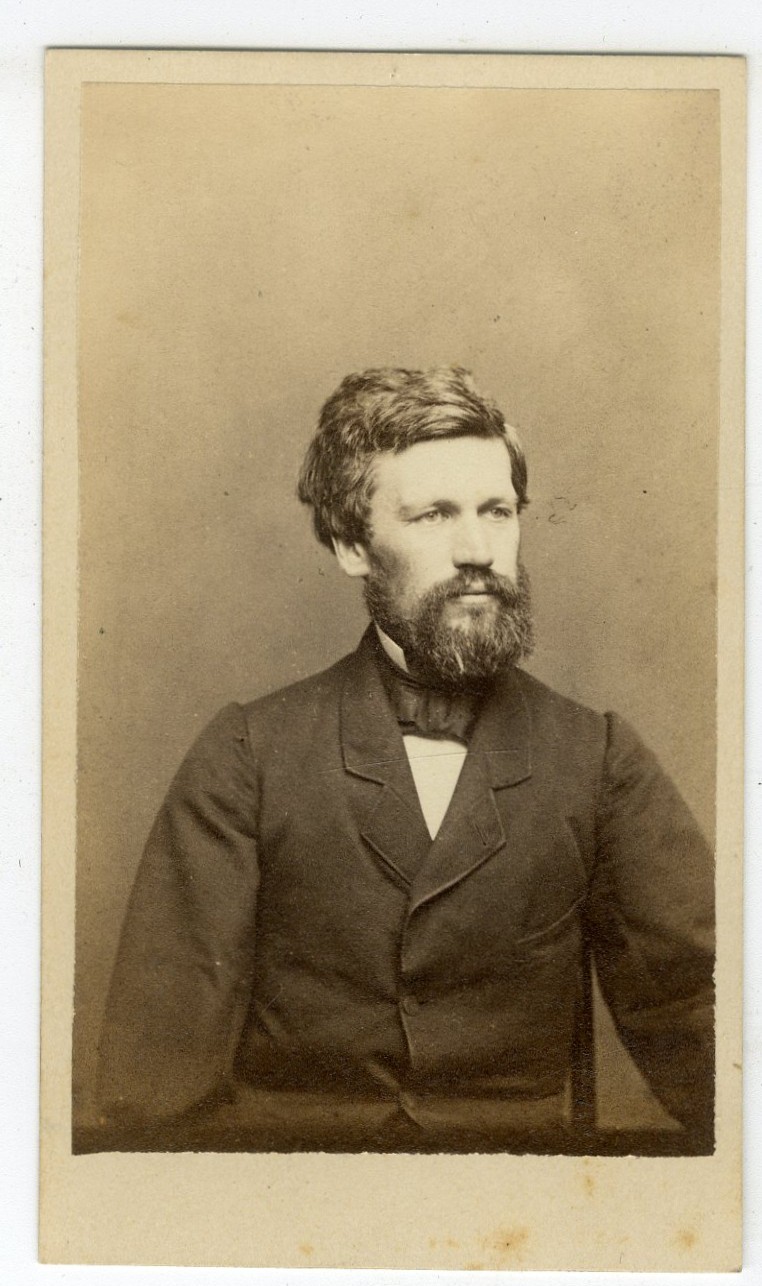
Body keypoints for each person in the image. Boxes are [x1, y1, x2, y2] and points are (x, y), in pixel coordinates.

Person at [95, 366, 715, 1154]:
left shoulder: (597, 758)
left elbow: (701, 1014)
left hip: (515, 1200)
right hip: (298, 1195)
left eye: (498, 511)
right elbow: (155, 1080)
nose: (478, 550)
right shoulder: (249, 754)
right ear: (352, 545)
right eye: (434, 515)